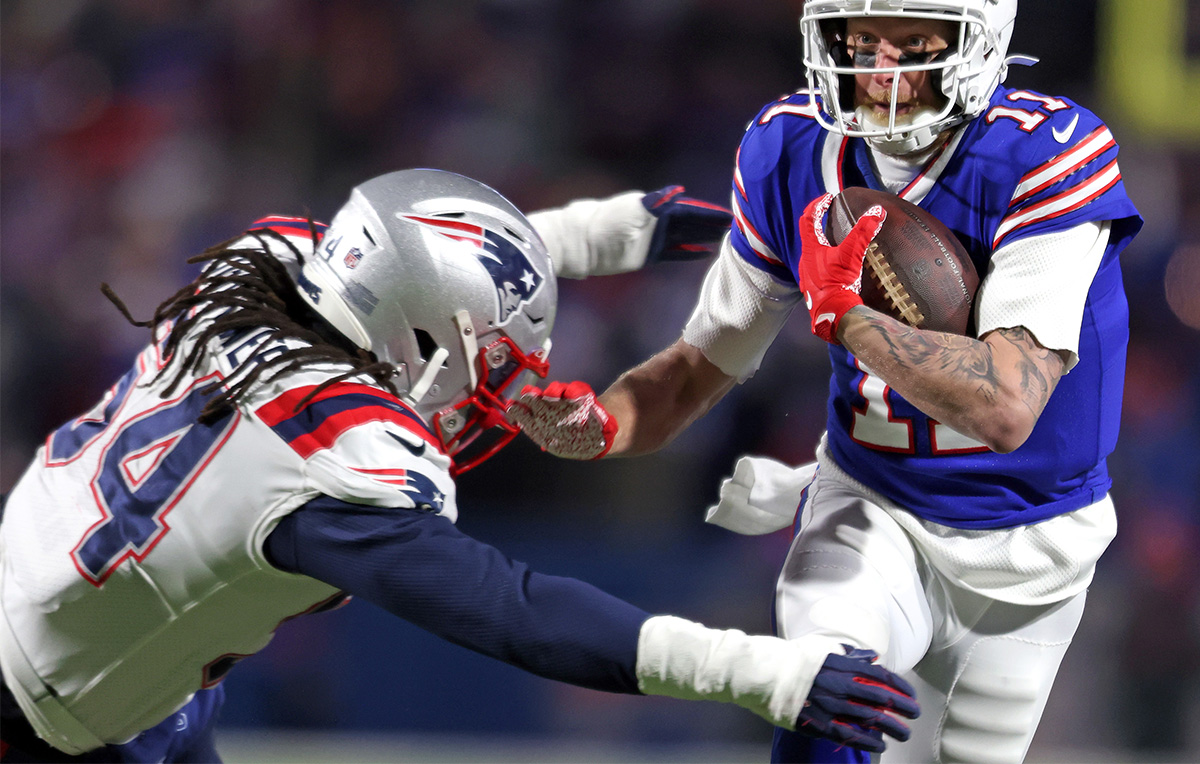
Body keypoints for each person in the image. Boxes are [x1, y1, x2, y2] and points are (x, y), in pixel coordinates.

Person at [509, 0, 1142, 764]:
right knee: (824, 693)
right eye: (858, 40)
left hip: (1037, 542)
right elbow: (701, 366)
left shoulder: (1045, 155)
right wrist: (601, 424)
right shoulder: (788, 149)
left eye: (915, 46)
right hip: (873, 503)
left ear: (979, 41)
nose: (880, 72)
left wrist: (853, 322)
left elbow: (1006, 406)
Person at [0, 169, 919, 763]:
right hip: (50, 709)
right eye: (496, 355)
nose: (502, 381)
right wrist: (767, 674)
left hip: (71, 595)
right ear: (426, 343)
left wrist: (616, 232)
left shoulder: (264, 267)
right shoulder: (335, 465)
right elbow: (519, 613)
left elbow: (408, 253)